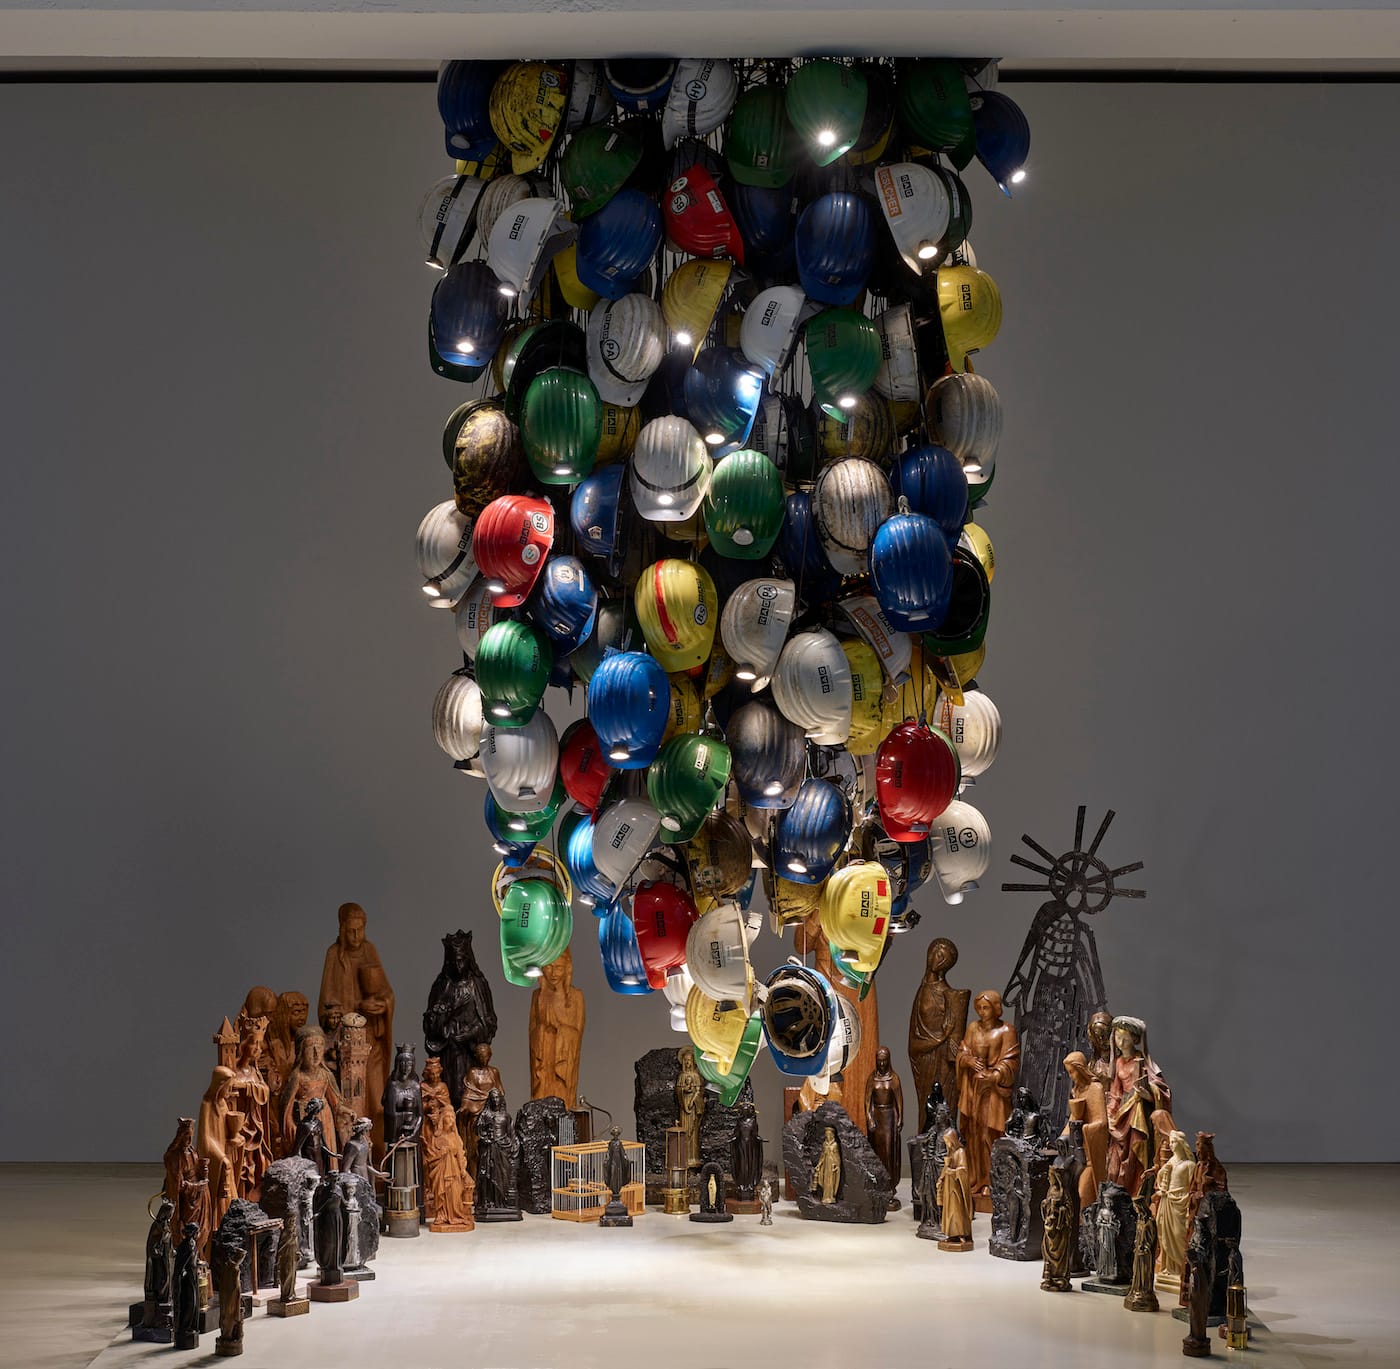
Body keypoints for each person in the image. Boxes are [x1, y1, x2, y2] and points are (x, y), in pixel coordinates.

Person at [318, 903, 395, 1145]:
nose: (356, 936)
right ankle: (351, 1150)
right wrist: (339, 1013)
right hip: (344, 1045)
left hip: (371, 1040)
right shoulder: (334, 955)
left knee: (376, 1100)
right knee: (349, 1102)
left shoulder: (369, 951)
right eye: (350, 931)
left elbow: (387, 993)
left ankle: (377, 1152)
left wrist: (382, 1005)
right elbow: (325, 1005)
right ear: (341, 929)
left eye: (360, 930)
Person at [955, 989, 1021, 1196]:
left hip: (994, 1093)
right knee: (973, 1133)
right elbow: (963, 1051)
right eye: (979, 1008)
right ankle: (976, 1178)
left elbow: (1011, 1060)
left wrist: (995, 1075)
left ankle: (993, 1181)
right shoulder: (973, 1028)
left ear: (996, 1008)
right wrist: (967, 1060)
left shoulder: (1007, 1030)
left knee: (990, 1135)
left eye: (986, 1008)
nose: (982, 1012)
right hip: (974, 1090)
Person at [1105, 1016, 1172, 1195]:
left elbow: (1161, 1089)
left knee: (1136, 1153)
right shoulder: (1118, 1062)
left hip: (1137, 1113)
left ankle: (1137, 1192)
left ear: (1135, 1040)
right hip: (1122, 1113)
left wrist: (1148, 1095)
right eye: (1118, 1037)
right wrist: (1110, 1113)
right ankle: (1119, 1192)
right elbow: (1115, 1092)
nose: (1121, 1042)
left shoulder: (1142, 1062)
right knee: (1116, 1158)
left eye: (1125, 1038)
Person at [908, 938, 970, 1123]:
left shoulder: (947, 994)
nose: (939, 960)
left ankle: (945, 1138)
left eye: (944, 959)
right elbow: (915, 1031)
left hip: (941, 1058)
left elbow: (954, 1033)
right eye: (937, 954)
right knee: (925, 1104)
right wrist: (937, 1039)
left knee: (942, 1102)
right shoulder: (923, 987)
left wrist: (945, 1039)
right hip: (924, 1056)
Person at [280, 1026, 348, 1164]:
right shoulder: (297, 1077)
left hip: (325, 1118)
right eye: (311, 1048)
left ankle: (329, 1172)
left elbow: (336, 1103)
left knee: (326, 1150)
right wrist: (290, 1125)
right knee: (308, 1152)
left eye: (320, 1047)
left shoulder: (326, 1075)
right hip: (304, 1120)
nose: (316, 1053)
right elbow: (286, 1107)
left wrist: (345, 1110)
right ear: (301, 1051)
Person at [420, 1056, 473, 1229]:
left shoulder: (442, 1087)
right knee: (429, 1158)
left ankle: (450, 1211)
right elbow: (419, 1108)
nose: (435, 1077)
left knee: (453, 1185)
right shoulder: (422, 1087)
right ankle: (430, 1196)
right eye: (432, 1074)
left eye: (437, 1074)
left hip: (442, 1125)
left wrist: (442, 1116)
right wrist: (428, 1106)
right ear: (427, 1073)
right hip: (429, 1127)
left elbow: (447, 1106)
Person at [528, 948, 585, 1108]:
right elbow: (531, 1031)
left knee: (564, 1101)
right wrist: (542, 1031)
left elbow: (578, 1034)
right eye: (549, 967)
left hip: (563, 1057)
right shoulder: (537, 996)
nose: (553, 973)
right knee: (540, 1096)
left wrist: (562, 1031)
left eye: (559, 968)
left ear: (567, 969)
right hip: (544, 1055)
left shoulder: (576, 996)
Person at [864, 1045, 904, 1206]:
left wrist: (900, 1118)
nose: (881, 1064)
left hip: (889, 1119)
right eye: (879, 1061)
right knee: (876, 1153)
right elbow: (867, 1101)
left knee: (888, 1153)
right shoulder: (871, 1079)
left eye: (884, 1061)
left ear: (889, 1060)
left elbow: (899, 1100)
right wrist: (869, 1118)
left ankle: (889, 1188)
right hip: (876, 1118)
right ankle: (877, 1188)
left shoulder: (894, 1078)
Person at [457, 1042, 504, 1176]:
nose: (484, 1059)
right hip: (476, 1111)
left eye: (486, 1056)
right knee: (475, 1147)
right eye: (481, 1056)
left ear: (490, 1056)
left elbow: (500, 1090)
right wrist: (464, 1106)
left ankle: (491, 1177)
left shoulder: (494, 1072)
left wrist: (495, 1099)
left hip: (492, 1112)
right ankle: (473, 1177)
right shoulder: (473, 1072)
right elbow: (468, 1093)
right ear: (476, 1056)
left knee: (493, 1147)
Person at [675, 1049, 705, 1167]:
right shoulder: (681, 1076)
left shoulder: (696, 1076)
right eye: (685, 1060)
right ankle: (683, 1159)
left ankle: (693, 1158)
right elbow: (678, 1092)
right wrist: (683, 1093)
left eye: (690, 1060)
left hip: (693, 1108)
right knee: (684, 1131)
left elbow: (699, 1091)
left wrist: (692, 1101)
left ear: (693, 1062)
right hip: (684, 1108)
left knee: (694, 1133)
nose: (688, 1063)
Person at [813, 1127, 841, 1204]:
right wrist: (819, 1164)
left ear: (832, 1135)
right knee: (825, 1180)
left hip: (832, 1164)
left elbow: (837, 1156)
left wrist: (836, 1165)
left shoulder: (835, 1145)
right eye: (826, 1135)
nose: (827, 1136)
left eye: (829, 1134)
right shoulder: (824, 1144)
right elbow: (823, 1155)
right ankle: (825, 1197)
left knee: (831, 1180)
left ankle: (831, 1197)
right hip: (826, 1164)